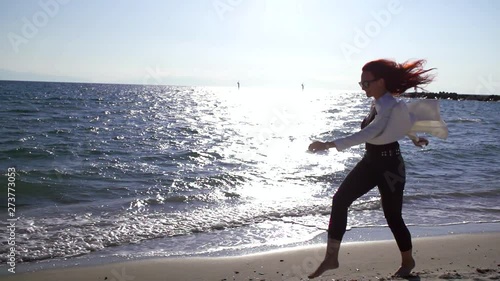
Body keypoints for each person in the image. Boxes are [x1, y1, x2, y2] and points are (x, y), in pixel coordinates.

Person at [307, 59, 436, 278]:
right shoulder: (377, 102)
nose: (363, 87)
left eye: (366, 83)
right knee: (340, 200)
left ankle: (408, 262)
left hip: (390, 167)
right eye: (361, 84)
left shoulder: (392, 106)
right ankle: (331, 257)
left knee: (393, 217)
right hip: (370, 162)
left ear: (381, 82)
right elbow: (400, 126)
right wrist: (414, 138)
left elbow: (368, 133)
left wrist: (328, 145)